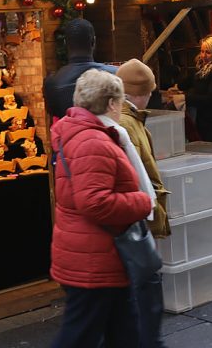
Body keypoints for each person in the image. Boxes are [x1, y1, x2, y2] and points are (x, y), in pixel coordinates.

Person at [50, 69, 154, 348]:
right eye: (120, 101)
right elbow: (94, 201)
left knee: (125, 332)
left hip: (97, 255)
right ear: (110, 104)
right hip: (93, 261)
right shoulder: (92, 141)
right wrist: (142, 201)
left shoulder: (83, 134)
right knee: (79, 336)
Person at [115, 59, 171, 348]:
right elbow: (135, 177)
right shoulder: (126, 124)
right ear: (143, 92)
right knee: (143, 294)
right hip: (139, 217)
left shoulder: (128, 120)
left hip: (139, 214)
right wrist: (148, 207)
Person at [44, 18, 116, 120]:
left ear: (65, 43)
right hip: (106, 134)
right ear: (93, 41)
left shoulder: (52, 83)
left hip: (70, 134)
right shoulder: (114, 76)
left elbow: (55, 116)